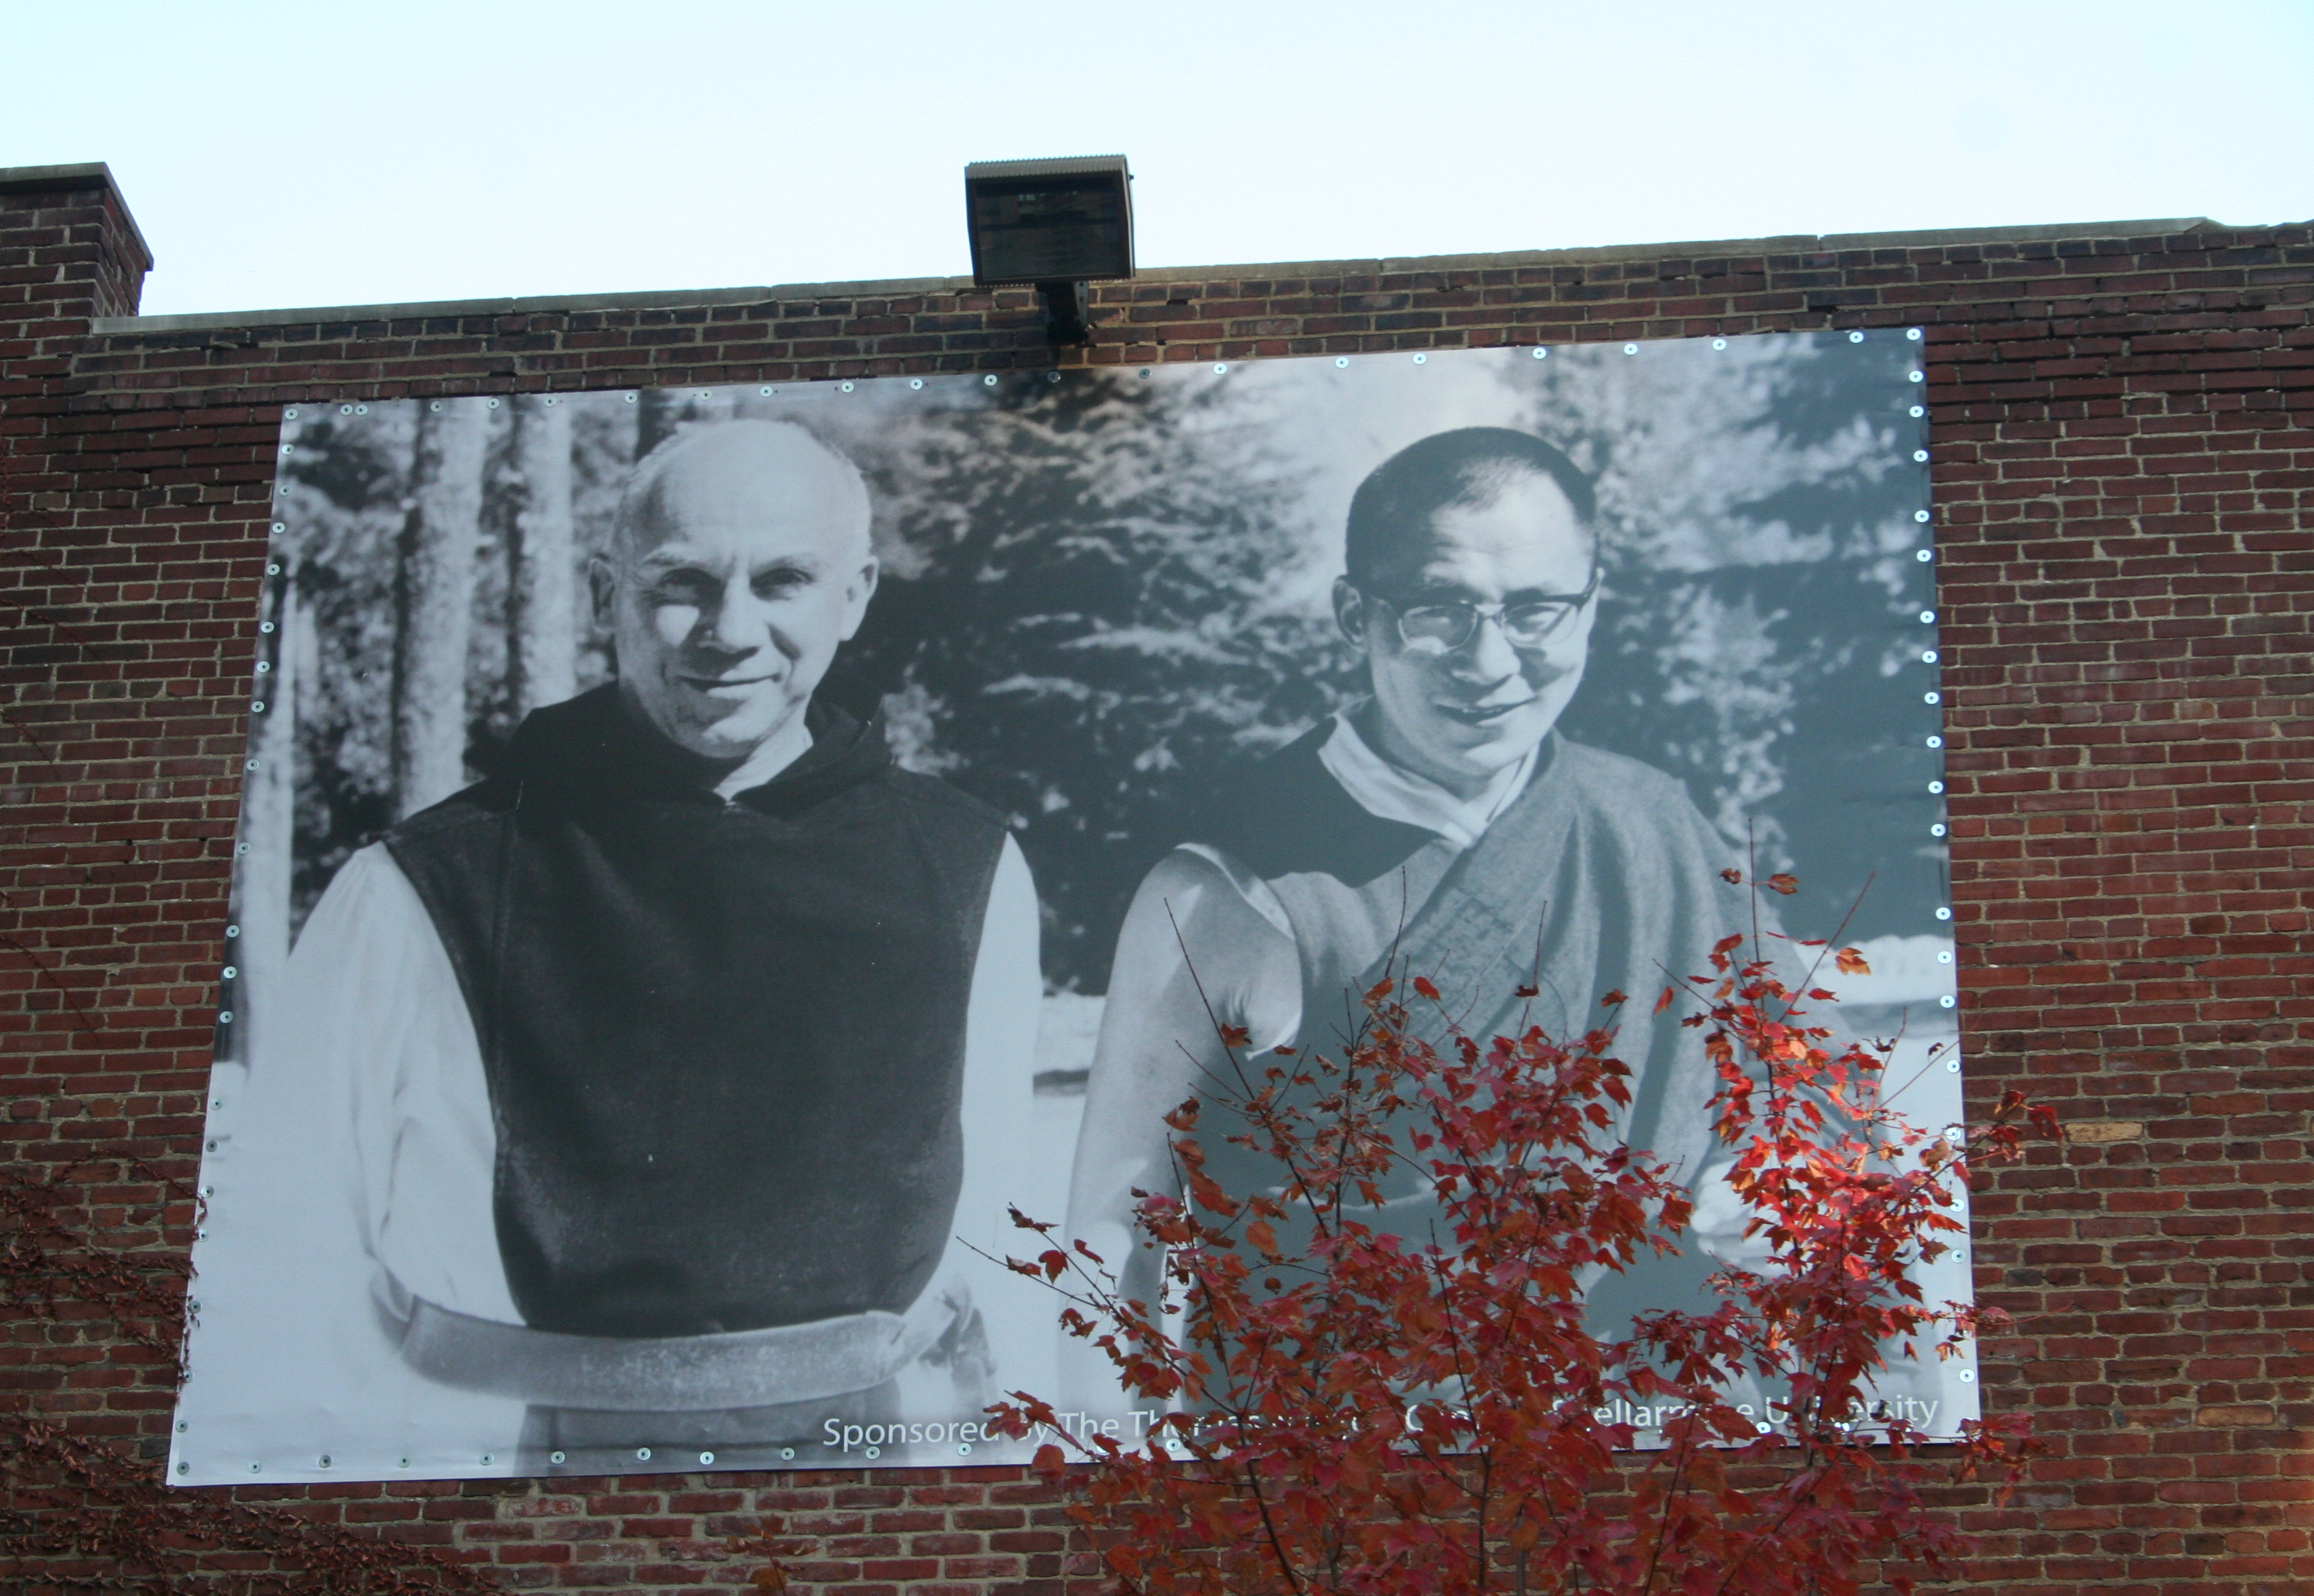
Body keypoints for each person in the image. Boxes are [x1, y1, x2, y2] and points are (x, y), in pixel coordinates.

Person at [179, 419, 1041, 1479]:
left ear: (854, 595)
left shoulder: (965, 865)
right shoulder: (418, 886)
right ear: (605, 594)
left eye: (782, 582)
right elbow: (282, 1257)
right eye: (681, 582)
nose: (728, 630)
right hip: (487, 1464)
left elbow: (1005, 1232)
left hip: (870, 1458)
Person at [1062, 427, 1769, 1417]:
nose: (1488, 660)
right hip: (1340, 1453)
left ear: (1591, 606)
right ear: (1356, 616)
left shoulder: (1658, 828)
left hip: (1636, 1435)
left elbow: (1794, 1093)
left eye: (1535, 609)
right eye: (1440, 609)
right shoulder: (1225, 888)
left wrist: (1764, 1187)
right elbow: (1114, 1225)